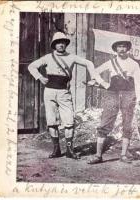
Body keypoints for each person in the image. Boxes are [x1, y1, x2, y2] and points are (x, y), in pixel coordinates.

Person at [28, 32, 96, 160]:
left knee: (69, 121)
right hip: (49, 92)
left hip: (64, 92)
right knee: (51, 121)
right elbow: (32, 66)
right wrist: (40, 77)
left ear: (66, 44)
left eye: (63, 42)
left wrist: (93, 78)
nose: (61, 44)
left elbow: (89, 63)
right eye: (58, 42)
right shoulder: (48, 57)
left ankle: (70, 150)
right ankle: (56, 149)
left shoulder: (72, 57)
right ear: (54, 45)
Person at [87, 39, 140, 164]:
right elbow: (94, 71)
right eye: (119, 47)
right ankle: (98, 156)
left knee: (127, 123)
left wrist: (138, 100)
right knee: (106, 121)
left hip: (129, 94)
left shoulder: (134, 64)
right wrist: (103, 84)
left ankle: (123, 155)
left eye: (124, 47)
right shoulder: (111, 62)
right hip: (113, 94)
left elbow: (138, 83)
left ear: (128, 49)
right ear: (116, 49)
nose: (121, 49)